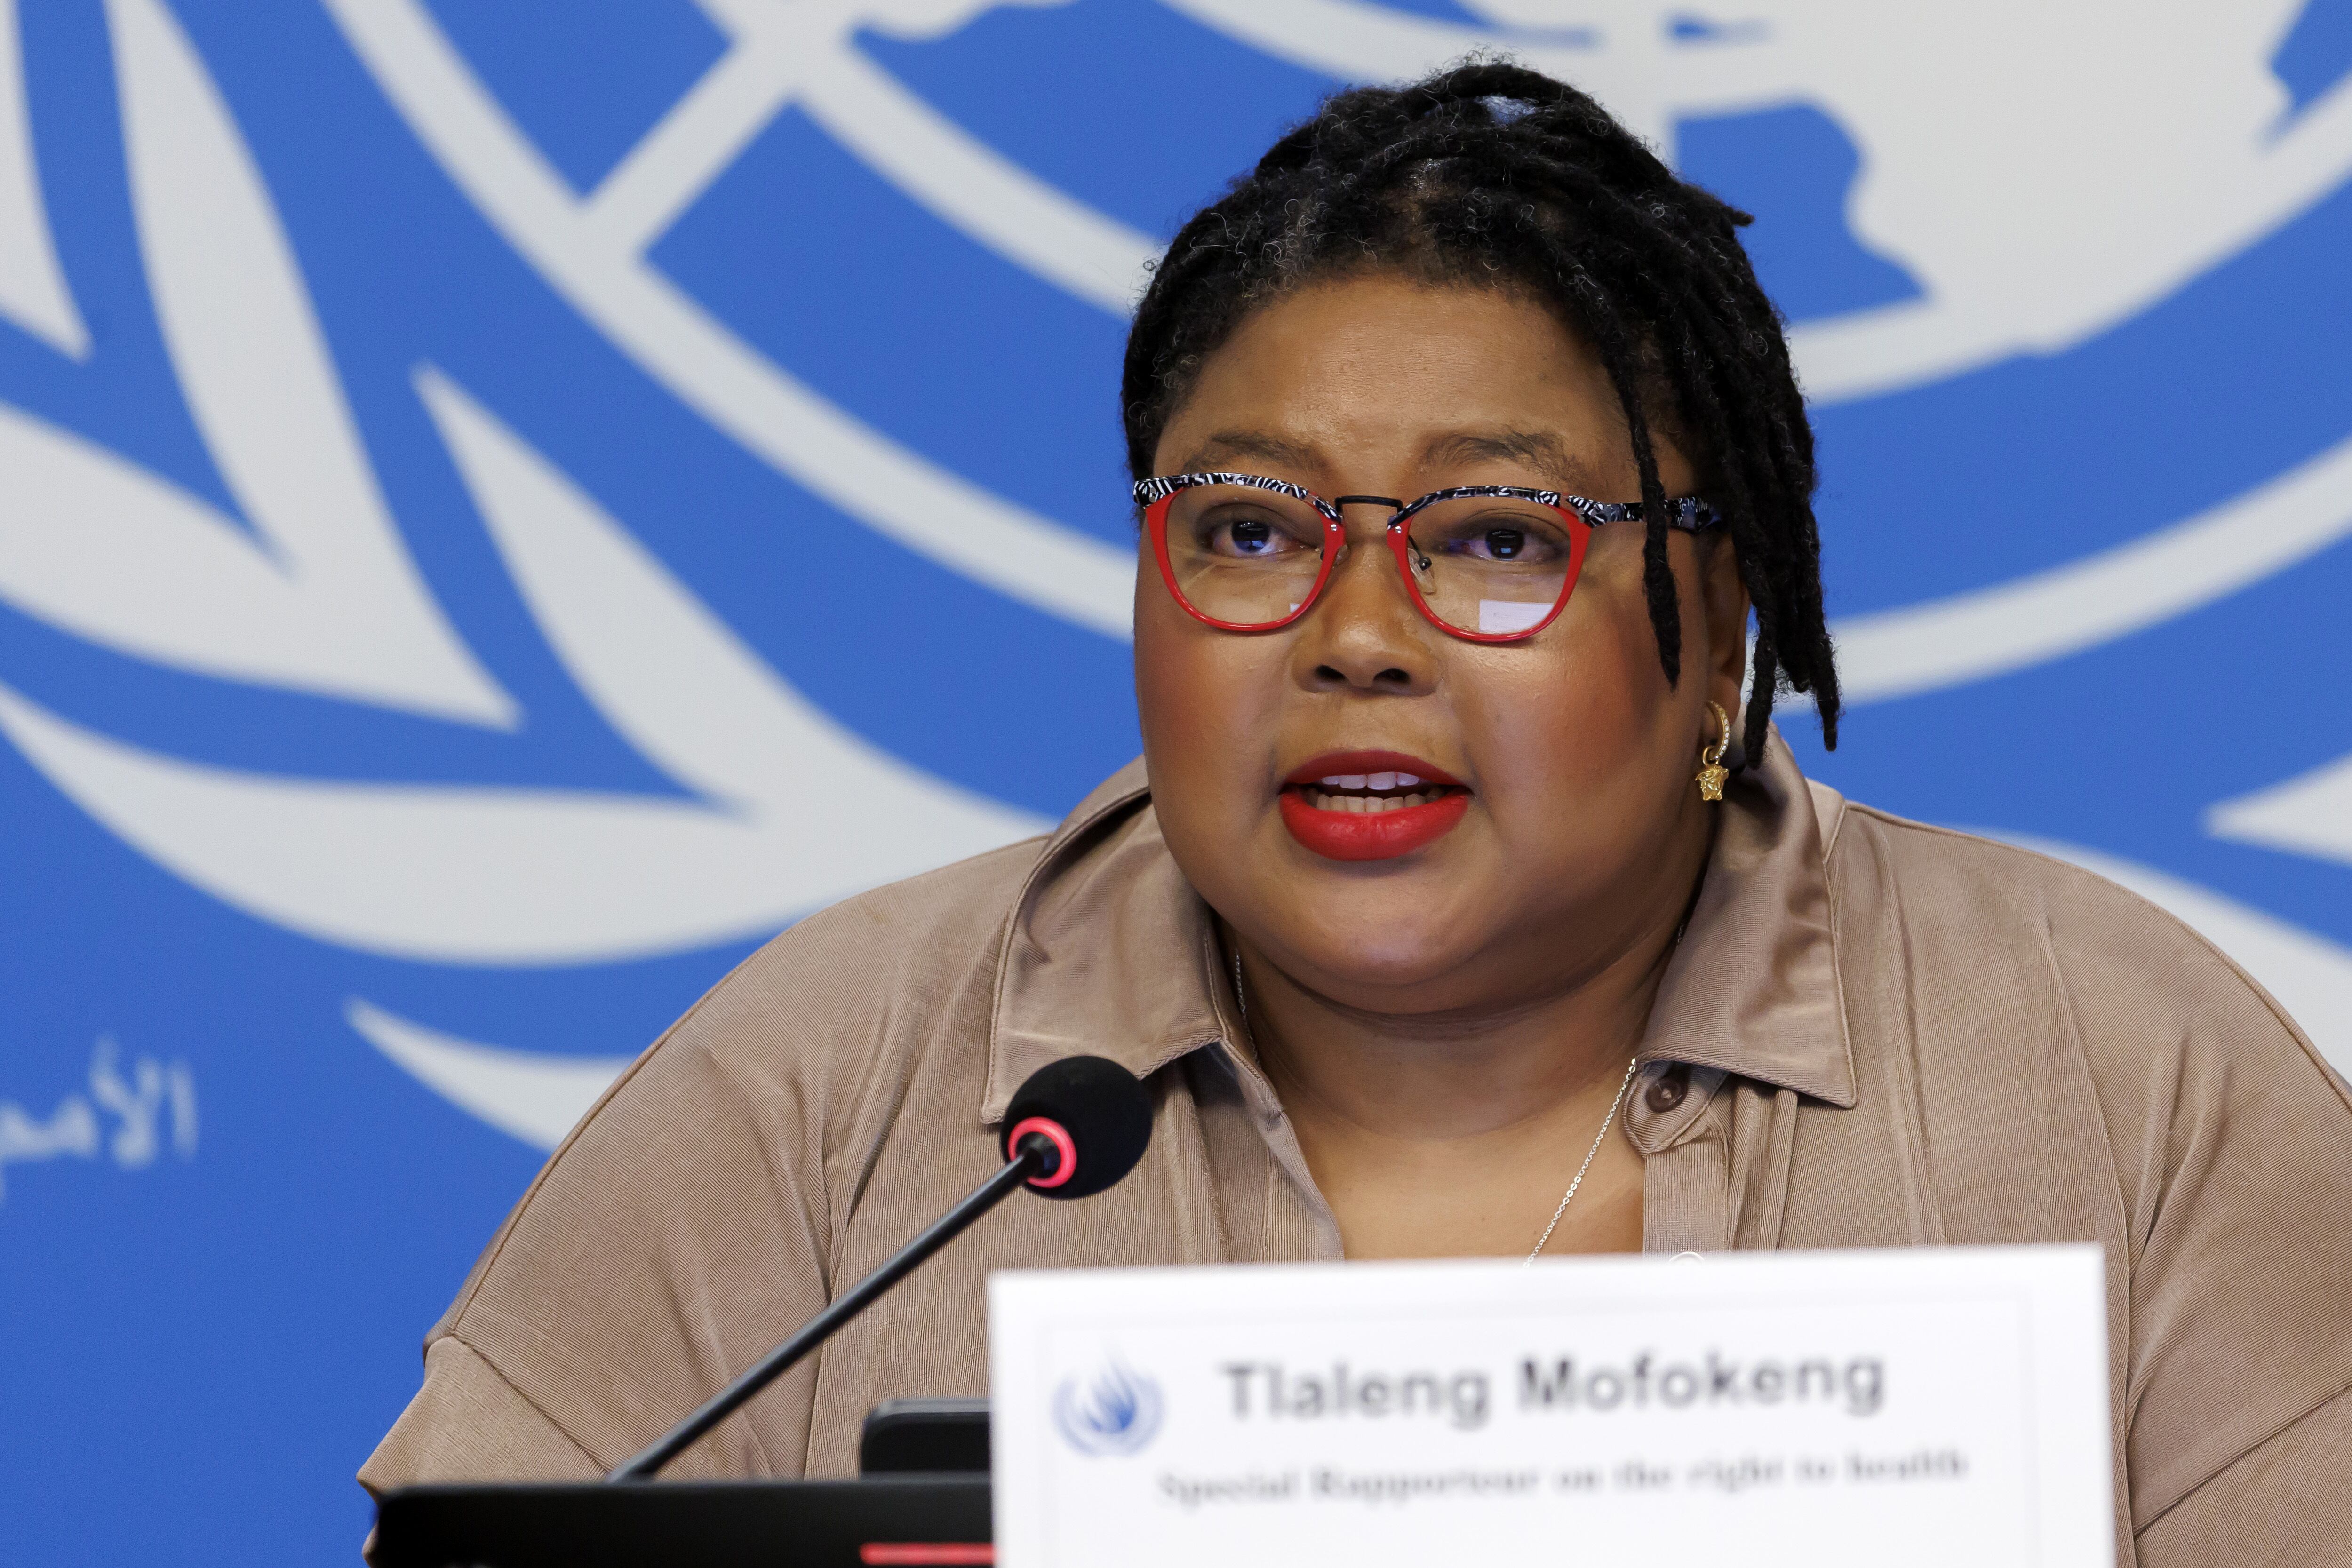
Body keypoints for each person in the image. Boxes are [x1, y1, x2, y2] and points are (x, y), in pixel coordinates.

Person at [359, 63, 2352, 1564]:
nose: (1356, 634)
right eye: (1245, 529)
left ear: (1719, 616)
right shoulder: (825, 1092)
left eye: (1495, 537)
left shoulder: (2111, 1075)